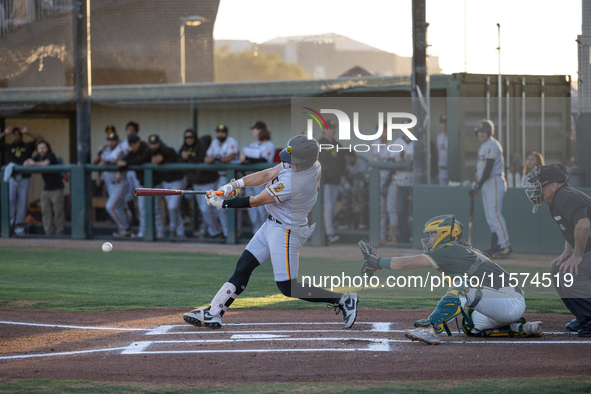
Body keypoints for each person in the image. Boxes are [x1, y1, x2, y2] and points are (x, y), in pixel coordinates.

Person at [183, 135, 358, 329]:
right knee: (243, 266)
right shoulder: (310, 163)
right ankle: (214, 312)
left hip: (287, 232)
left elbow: (257, 200)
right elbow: (268, 174)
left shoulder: (297, 183)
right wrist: (234, 185)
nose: (287, 163)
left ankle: (343, 299)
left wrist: (223, 203)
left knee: (288, 287)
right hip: (272, 225)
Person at [358, 214, 543, 345]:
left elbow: (404, 263)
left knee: (462, 288)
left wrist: (377, 261)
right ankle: (521, 328)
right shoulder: (461, 250)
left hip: (508, 301)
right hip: (506, 303)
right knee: (471, 325)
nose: (430, 239)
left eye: (433, 233)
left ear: (445, 233)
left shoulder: (450, 250)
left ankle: (431, 328)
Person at [524, 164, 591, 337]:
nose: (536, 189)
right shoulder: (559, 199)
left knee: (573, 271)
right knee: (558, 268)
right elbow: (572, 229)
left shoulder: (567, 196)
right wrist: (568, 251)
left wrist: (577, 256)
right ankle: (584, 317)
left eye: (540, 184)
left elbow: (583, 225)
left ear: (554, 185)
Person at [469, 119, 511, 259]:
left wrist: (478, 185)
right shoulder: (483, 146)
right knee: (490, 217)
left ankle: (505, 246)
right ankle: (496, 246)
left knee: (495, 214)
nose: (481, 134)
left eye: (484, 131)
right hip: (487, 182)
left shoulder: (492, 144)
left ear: (489, 132)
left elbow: (489, 167)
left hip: (493, 180)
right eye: (479, 132)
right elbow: (480, 169)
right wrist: (477, 183)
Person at [179, 128, 223, 239]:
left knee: (207, 209)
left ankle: (217, 232)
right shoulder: (184, 147)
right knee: (206, 210)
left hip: (209, 181)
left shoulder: (201, 145)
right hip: (196, 182)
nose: (188, 139)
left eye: (190, 137)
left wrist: (189, 157)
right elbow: (178, 159)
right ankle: (213, 231)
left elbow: (202, 160)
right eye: (186, 137)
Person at [0, 125, 43, 235]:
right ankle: (9, 225)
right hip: (11, 177)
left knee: (22, 202)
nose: (16, 136)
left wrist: (28, 131)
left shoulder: (27, 146)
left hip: (24, 177)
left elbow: (40, 140)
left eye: (19, 135)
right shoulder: (7, 146)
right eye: (15, 135)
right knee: (10, 200)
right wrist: (4, 133)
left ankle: (19, 225)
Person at [142, 134, 185, 239]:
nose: (154, 146)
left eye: (155, 144)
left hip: (177, 181)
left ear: (160, 142)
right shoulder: (149, 151)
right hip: (165, 182)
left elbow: (171, 154)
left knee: (172, 207)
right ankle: (180, 233)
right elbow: (142, 159)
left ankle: (173, 228)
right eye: (152, 144)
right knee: (174, 208)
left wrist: (161, 157)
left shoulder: (166, 150)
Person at [93, 132, 132, 237]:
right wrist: (100, 151)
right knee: (117, 207)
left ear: (117, 141)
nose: (111, 142)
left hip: (121, 182)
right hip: (109, 183)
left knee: (110, 206)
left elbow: (117, 160)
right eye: (109, 140)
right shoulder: (105, 149)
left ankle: (126, 228)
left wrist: (106, 162)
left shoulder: (121, 148)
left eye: (113, 140)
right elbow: (95, 162)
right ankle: (123, 229)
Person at [23, 140, 65, 235]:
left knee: (58, 212)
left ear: (47, 148)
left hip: (57, 188)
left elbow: (46, 163)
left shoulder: (51, 155)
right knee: (46, 211)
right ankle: (49, 233)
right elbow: (27, 162)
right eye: (39, 148)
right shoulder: (38, 157)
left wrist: (33, 164)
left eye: (43, 148)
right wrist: (28, 162)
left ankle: (60, 233)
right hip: (46, 189)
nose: (41, 150)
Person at [240, 121, 275, 234]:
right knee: (251, 207)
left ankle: (266, 233)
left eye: (255, 129)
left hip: (262, 180)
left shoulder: (269, 145)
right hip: (250, 178)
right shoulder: (253, 144)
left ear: (260, 130)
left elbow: (264, 160)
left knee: (262, 208)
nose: (253, 132)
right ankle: (256, 233)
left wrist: (248, 158)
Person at [205, 124, 239, 238]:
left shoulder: (231, 141)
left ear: (226, 133)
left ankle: (236, 232)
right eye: (219, 132)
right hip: (221, 177)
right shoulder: (214, 143)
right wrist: (218, 159)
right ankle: (226, 233)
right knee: (220, 206)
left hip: (234, 177)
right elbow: (207, 160)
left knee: (236, 206)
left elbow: (231, 157)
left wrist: (216, 159)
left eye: (223, 132)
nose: (220, 134)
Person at [318, 119, 345, 245]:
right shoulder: (319, 144)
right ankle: (329, 233)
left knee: (332, 207)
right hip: (324, 181)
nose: (332, 130)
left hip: (336, 181)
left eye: (333, 128)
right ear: (324, 129)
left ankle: (328, 231)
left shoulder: (338, 145)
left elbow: (342, 164)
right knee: (328, 207)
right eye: (329, 128)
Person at [117, 134, 149, 238]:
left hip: (156, 183)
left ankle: (160, 233)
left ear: (138, 143)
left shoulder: (147, 149)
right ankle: (142, 232)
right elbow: (125, 161)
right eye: (130, 146)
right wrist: (120, 170)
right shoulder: (132, 152)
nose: (132, 148)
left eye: (133, 145)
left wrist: (126, 164)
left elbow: (142, 160)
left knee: (158, 210)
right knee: (142, 208)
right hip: (142, 183)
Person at [373, 125, 397, 243]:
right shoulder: (375, 144)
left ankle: (393, 235)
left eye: (385, 130)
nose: (383, 133)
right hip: (378, 181)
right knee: (380, 209)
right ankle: (381, 234)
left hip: (391, 180)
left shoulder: (392, 146)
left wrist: (386, 185)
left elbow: (393, 168)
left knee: (391, 208)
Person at [392, 131, 414, 244]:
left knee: (415, 212)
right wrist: (403, 156)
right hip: (401, 182)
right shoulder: (398, 142)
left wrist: (403, 156)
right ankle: (403, 238)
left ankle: (414, 238)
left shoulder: (417, 143)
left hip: (414, 183)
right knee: (401, 211)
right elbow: (393, 159)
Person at [118, 121, 141, 226]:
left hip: (137, 173)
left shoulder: (138, 143)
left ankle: (141, 219)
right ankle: (133, 218)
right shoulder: (123, 144)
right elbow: (115, 157)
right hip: (127, 172)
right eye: (128, 130)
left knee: (140, 197)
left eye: (132, 130)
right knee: (128, 197)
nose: (130, 132)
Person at [344, 151, 369, 230]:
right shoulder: (346, 164)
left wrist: (357, 189)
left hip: (363, 186)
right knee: (345, 198)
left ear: (352, 157)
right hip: (352, 186)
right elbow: (347, 176)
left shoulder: (363, 162)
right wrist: (352, 187)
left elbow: (367, 179)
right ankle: (347, 223)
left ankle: (362, 223)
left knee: (362, 198)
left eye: (347, 158)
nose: (346, 161)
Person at [436, 114, 448, 186]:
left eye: (446, 122)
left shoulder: (453, 136)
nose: (445, 124)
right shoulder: (439, 137)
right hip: (442, 169)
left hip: (451, 169)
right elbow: (438, 154)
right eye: (443, 122)